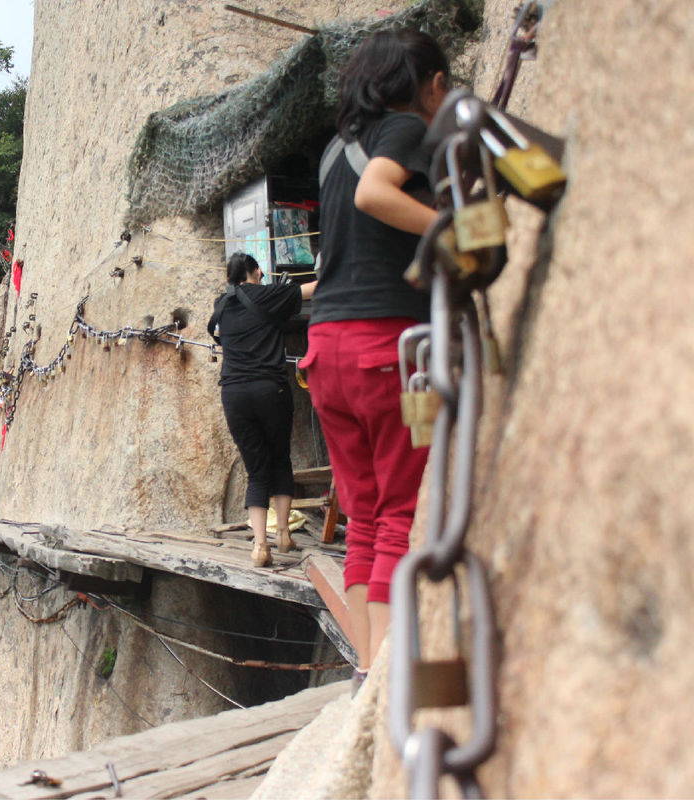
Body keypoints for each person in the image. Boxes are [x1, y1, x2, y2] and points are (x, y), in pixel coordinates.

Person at [299, 29, 450, 680]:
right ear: (432, 83)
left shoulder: (336, 150)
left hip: (325, 350)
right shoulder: (406, 130)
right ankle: (391, 675)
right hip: (385, 346)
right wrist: (452, 225)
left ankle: (366, 672)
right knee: (400, 514)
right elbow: (377, 196)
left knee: (361, 519)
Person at [209, 252, 313, 567]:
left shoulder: (221, 305)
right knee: (279, 458)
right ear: (255, 272)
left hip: (234, 395)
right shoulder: (267, 293)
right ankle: (282, 533)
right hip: (270, 389)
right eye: (260, 275)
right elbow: (310, 290)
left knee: (256, 469)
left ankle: (260, 547)